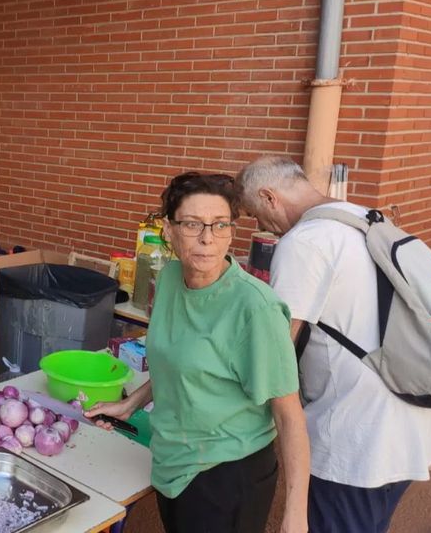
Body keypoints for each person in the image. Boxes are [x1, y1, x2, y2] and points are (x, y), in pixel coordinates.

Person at [87, 172, 309, 533]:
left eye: (220, 225)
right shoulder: (171, 279)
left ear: (231, 231)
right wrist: (130, 404)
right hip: (174, 459)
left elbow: (289, 415)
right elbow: (174, 361)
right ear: (170, 230)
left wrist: (295, 513)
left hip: (228, 473)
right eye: (192, 224)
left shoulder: (255, 308)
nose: (207, 239)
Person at [236, 156, 431, 533]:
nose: (261, 227)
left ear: (269, 197)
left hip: (356, 435)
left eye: (255, 214)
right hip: (409, 414)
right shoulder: (366, 219)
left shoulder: (305, 241)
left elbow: (279, 345)